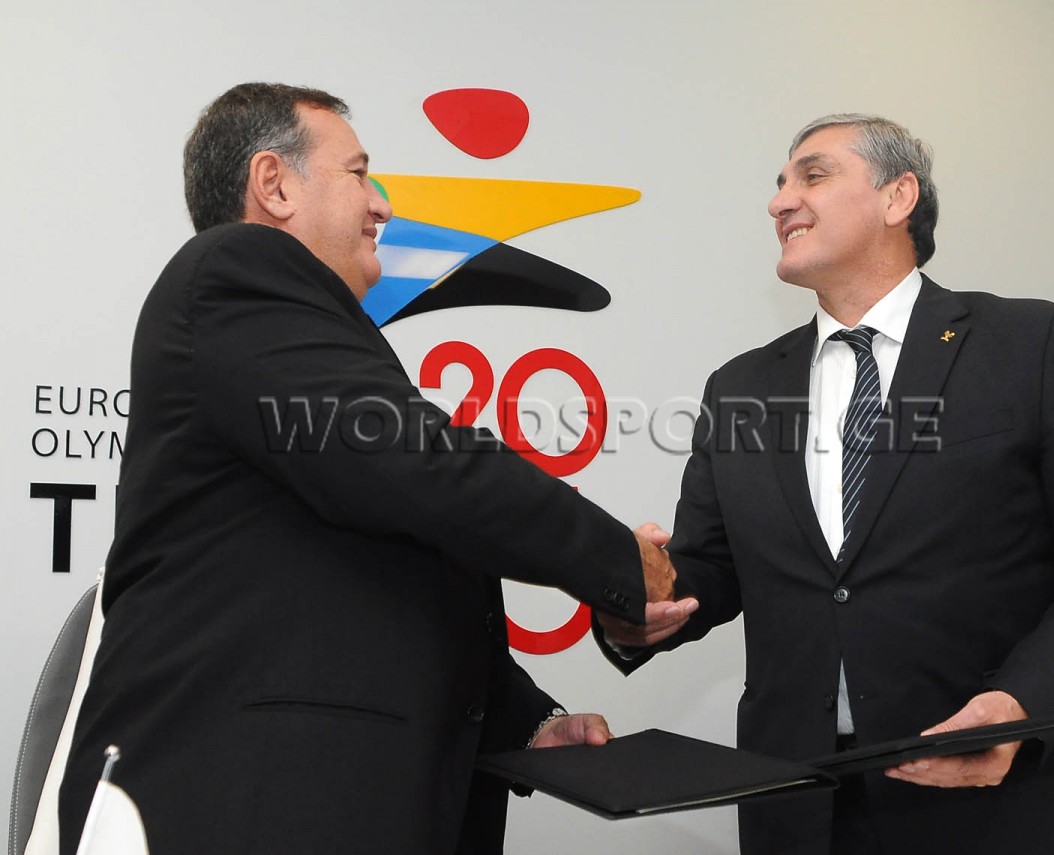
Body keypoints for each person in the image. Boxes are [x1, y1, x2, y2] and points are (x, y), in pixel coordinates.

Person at [57, 82, 677, 855]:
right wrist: (617, 560)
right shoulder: (237, 270)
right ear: (274, 184)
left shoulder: (289, 335)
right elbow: (421, 466)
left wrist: (526, 722)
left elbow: (372, 576)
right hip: (243, 802)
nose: (380, 203)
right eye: (357, 173)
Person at [596, 114, 1054, 854]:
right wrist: (636, 604)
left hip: (1000, 797)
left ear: (898, 197)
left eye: (812, 175)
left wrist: (1023, 704)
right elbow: (712, 568)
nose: (780, 201)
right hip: (802, 808)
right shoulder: (740, 386)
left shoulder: (1028, 344)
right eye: (779, 184)